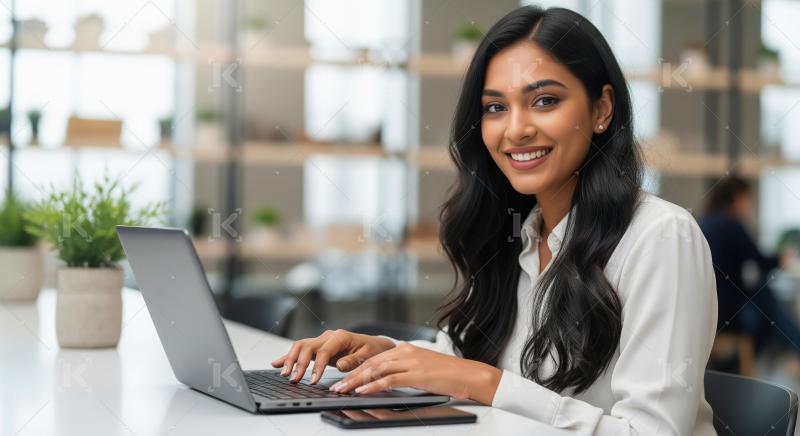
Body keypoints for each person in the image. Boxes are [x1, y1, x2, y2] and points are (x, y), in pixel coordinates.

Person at [271, 6, 717, 434]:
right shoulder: (520, 230)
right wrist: (387, 355)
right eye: (495, 107)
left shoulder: (661, 237)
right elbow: (471, 354)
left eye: (544, 100)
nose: (515, 129)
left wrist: (484, 384)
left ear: (602, 109)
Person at [699, 175, 800, 362]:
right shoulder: (731, 224)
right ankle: (794, 349)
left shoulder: (704, 222)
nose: (749, 206)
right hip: (725, 311)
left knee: (763, 300)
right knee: (766, 301)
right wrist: (782, 258)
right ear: (738, 197)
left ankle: (791, 351)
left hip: (704, 306)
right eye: (748, 199)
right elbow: (760, 261)